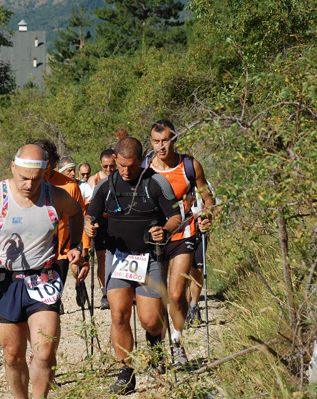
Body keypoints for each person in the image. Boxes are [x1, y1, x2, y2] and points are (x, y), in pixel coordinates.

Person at [0, 144, 85, 399]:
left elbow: (76, 213)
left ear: (45, 173)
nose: (29, 186)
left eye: (36, 179)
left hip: (43, 277)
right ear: (13, 167)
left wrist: (75, 245)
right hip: (6, 281)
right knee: (13, 355)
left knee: (44, 351)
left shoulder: (54, 194)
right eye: (23, 178)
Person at [84, 137, 181, 394]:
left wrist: (165, 230)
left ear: (141, 160)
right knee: (119, 315)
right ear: (115, 159)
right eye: (121, 166)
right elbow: (90, 215)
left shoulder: (156, 182)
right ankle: (125, 373)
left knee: (150, 320)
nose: (126, 171)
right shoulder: (105, 186)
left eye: (132, 166)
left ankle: (155, 349)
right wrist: (89, 226)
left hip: (149, 258)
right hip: (120, 258)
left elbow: (175, 216)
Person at [146, 119, 214, 366]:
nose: (161, 146)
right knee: (155, 297)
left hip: (184, 234)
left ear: (173, 140)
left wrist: (206, 217)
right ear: (151, 142)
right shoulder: (145, 167)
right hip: (153, 238)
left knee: (176, 295)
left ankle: (177, 342)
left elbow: (207, 198)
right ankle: (156, 349)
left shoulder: (189, 165)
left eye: (165, 141)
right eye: (156, 141)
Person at [31, 140, 89, 288]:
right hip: (29, 251)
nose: (41, 171)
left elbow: (80, 217)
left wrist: (83, 249)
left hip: (59, 253)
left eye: (46, 167)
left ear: (53, 163)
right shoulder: (26, 183)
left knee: (51, 300)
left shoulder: (69, 186)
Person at [87, 149, 116, 310]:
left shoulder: (121, 177)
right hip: (101, 221)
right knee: (102, 257)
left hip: (116, 221)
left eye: (112, 166)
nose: (109, 169)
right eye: (105, 166)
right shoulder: (94, 179)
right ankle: (105, 292)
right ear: (100, 164)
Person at [186, 180, 219, 324]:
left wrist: (207, 218)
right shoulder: (174, 180)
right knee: (183, 271)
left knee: (197, 271)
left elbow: (216, 207)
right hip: (182, 232)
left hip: (201, 233)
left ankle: (194, 304)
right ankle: (185, 307)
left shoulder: (205, 184)